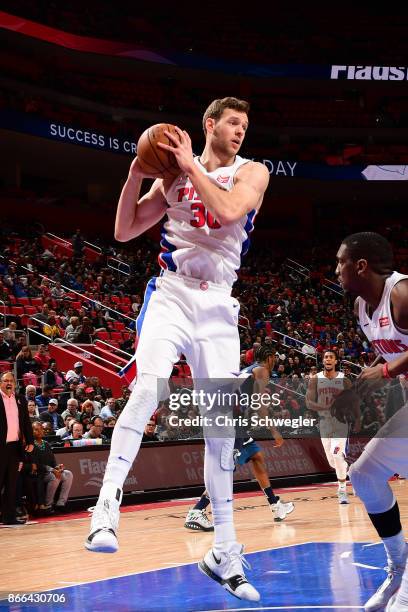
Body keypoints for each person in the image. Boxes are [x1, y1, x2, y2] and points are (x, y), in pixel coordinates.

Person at [85, 97, 269, 602]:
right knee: (148, 387)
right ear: (209, 124)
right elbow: (124, 230)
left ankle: (225, 552)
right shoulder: (169, 177)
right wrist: (134, 173)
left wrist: (188, 166)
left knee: (220, 432)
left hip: (218, 309)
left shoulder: (253, 171)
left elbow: (229, 209)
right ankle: (104, 511)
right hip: (171, 293)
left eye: (245, 126)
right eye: (233, 123)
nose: (240, 131)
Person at [332, 232, 408, 611]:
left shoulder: (402, 295)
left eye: (340, 261)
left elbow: (390, 366)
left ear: (360, 264)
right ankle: (398, 568)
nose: (335, 269)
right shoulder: (363, 308)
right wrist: (354, 394)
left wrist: (390, 371)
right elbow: (385, 363)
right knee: (362, 475)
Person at [185, 345, 294, 531]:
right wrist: (274, 430)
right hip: (229, 422)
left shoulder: (247, 370)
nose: (275, 361)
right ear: (269, 358)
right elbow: (260, 404)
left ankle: (275, 505)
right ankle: (197, 511)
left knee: (256, 456)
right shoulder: (262, 371)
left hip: (229, 419)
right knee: (225, 470)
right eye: (274, 357)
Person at [306, 350, 359, 504]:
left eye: (331, 357)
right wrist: (321, 406)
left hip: (340, 421)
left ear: (336, 361)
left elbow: (355, 401)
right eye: (325, 357)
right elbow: (309, 402)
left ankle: (342, 490)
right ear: (323, 361)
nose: (328, 359)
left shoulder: (344, 380)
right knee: (333, 462)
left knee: (337, 455)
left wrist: (357, 419)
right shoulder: (315, 379)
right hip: (324, 422)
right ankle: (353, 473)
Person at [0, 372, 34, 525]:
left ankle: (9, 517)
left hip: (15, 448)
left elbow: (26, 422)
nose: (8, 383)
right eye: (5, 380)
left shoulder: (20, 399)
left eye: (11, 381)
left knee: (12, 484)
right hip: (1, 448)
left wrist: (30, 441)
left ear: (14, 383)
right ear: (0, 382)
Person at [30, 421, 73, 512]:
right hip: (40, 474)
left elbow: (52, 461)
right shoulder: (31, 445)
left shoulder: (45, 443)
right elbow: (35, 464)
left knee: (68, 474)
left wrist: (57, 467)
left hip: (51, 470)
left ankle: (61, 503)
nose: (38, 431)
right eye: (35, 430)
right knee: (54, 477)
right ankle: (48, 504)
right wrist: (52, 470)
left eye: (40, 429)